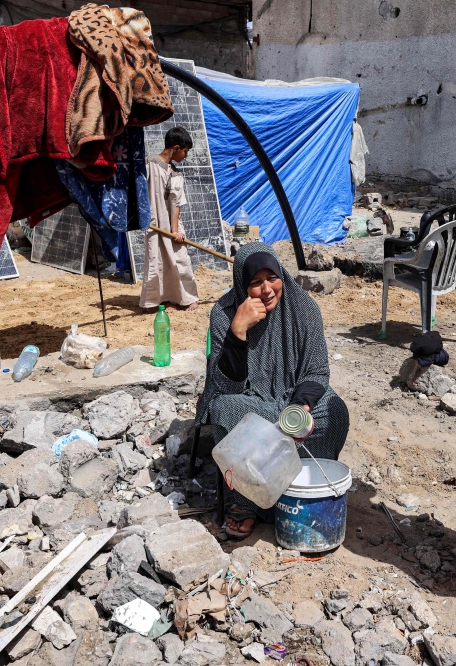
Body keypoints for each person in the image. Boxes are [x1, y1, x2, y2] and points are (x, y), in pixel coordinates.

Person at [195, 242, 350, 539]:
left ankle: (297, 487)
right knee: (225, 410)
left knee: (335, 412)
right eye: (255, 282)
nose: (266, 289)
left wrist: (301, 407)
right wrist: (238, 332)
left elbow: (317, 371)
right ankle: (247, 503)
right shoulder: (224, 313)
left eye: (272, 278)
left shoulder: (303, 306)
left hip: (291, 403)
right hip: (253, 405)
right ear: (242, 284)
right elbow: (225, 386)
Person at [140, 126, 199, 311]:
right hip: (154, 224)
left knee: (181, 260)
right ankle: (162, 300)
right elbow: (139, 193)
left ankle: (188, 298)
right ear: (176, 147)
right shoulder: (149, 164)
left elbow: (177, 204)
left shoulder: (176, 174)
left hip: (171, 225)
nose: (185, 156)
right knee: (158, 262)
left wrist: (175, 231)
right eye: (185, 151)